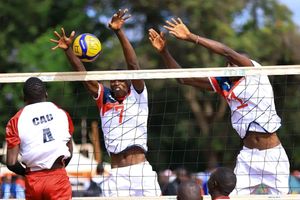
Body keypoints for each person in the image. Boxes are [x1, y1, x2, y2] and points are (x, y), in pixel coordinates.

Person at [148, 18, 290, 195]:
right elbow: (183, 78)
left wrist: (191, 37)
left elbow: (226, 52)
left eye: (235, 63)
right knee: (229, 196)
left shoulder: (255, 72)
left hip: (273, 155)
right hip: (248, 156)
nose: (231, 66)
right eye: (228, 64)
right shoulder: (224, 83)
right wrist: (164, 52)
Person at [50, 8, 161, 197]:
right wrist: (69, 51)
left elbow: (133, 66)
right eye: (113, 81)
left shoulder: (138, 95)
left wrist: (119, 32)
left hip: (140, 172)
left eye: (120, 80)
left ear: (128, 83)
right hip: (116, 174)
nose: (116, 83)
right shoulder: (104, 98)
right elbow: (83, 76)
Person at [5, 77, 74, 200]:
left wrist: (27, 173)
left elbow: (11, 162)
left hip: (33, 180)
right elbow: (70, 151)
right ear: (46, 94)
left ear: (24, 98)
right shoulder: (62, 113)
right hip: (57, 176)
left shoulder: (16, 120)